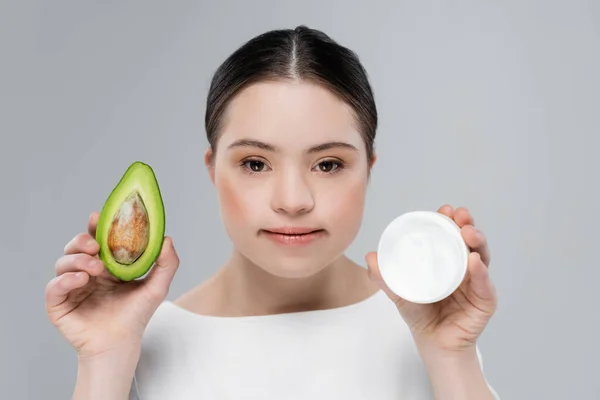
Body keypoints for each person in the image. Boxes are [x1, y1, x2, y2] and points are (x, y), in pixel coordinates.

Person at [45, 25, 501, 399]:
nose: (293, 199)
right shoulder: (140, 341)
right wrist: (104, 360)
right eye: (255, 163)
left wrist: (450, 355)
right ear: (212, 169)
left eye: (328, 164)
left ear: (368, 169)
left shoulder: (427, 331)